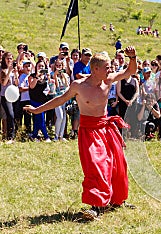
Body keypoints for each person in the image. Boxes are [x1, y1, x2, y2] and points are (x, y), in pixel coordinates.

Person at [24, 46, 138, 220]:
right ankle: (96, 206)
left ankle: (117, 200)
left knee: (117, 164)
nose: (111, 69)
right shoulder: (79, 86)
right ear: (95, 69)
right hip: (89, 130)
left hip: (106, 128)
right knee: (96, 165)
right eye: (107, 67)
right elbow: (59, 100)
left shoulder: (108, 80)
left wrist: (133, 57)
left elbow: (131, 70)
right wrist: (37, 110)